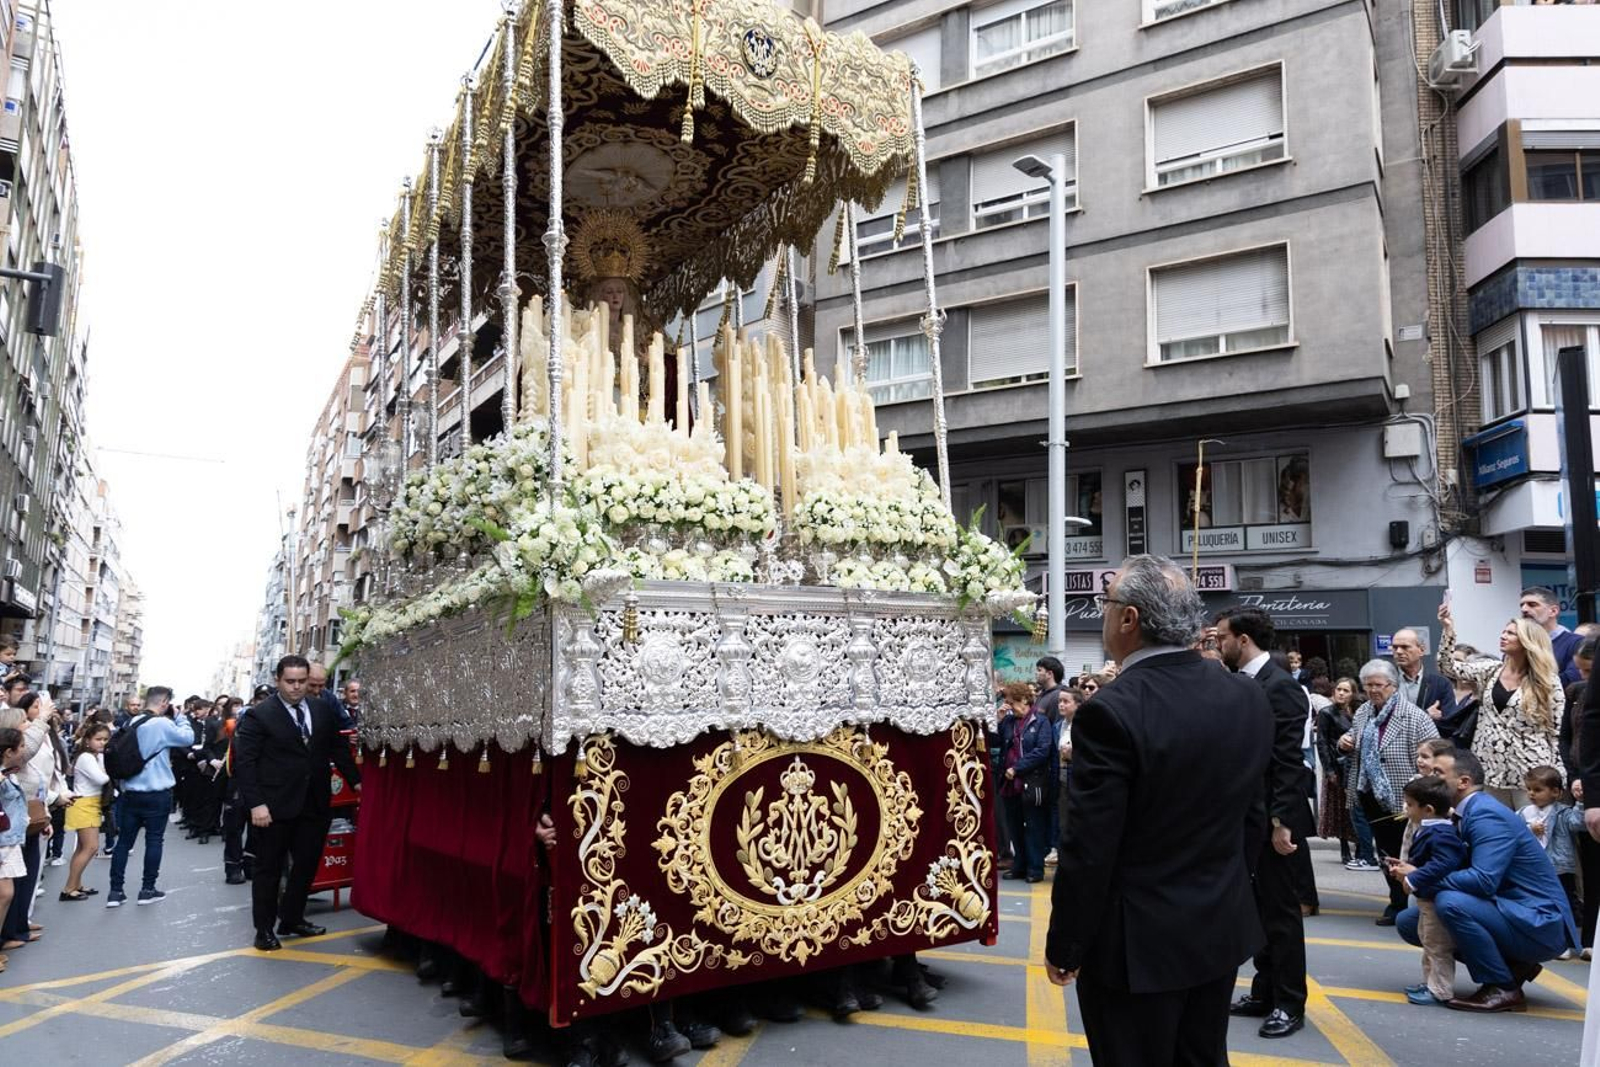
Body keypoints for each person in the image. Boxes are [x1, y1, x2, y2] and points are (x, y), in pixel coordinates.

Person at [1045, 555, 1272, 1066]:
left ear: (1129, 620)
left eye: (1105, 605)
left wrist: (1066, 943)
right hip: (1219, 925)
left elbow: (1089, 847)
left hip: (1135, 946)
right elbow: (1251, 818)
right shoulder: (1245, 695)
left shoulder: (1110, 710)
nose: (1101, 615)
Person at [1397, 750, 1578, 1012]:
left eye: (1438, 772)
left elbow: (1483, 880)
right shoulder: (1458, 813)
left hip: (1539, 921)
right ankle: (1514, 965)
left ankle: (1502, 986)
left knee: (1450, 903)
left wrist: (1421, 879)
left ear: (1463, 782)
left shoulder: (1485, 814)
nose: (1429, 775)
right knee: (1410, 921)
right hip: (1508, 909)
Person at [1218, 607, 1315, 1039]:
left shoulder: (1282, 689)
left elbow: (1288, 763)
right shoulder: (1243, 683)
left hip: (1275, 821)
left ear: (1242, 639)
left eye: (1222, 638)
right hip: (1245, 819)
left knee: (1280, 915)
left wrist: (1281, 822)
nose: (1218, 645)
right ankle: (1264, 990)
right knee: (1256, 910)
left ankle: (1290, 1002)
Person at [232, 655, 361, 951]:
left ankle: (292, 917)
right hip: (274, 807)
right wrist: (256, 805)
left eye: (302, 681)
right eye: (290, 681)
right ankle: (264, 928)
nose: (297, 687)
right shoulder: (258, 715)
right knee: (269, 869)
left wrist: (356, 781)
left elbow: (337, 749)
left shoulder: (321, 709)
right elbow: (246, 764)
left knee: (306, 865)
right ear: (278, 680)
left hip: (314, 803)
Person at [1337, 659, 1439, 925]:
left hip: (1405, 797)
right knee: (1385, 852)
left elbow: (1436, 755)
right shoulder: (1363, 713)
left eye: (1378, 685)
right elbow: (1353, 737)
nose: (1372, 690)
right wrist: (1344, 742)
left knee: (1409, 852)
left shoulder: (1414, 716)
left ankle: (1417, 906)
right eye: (1368, 685)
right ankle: (1397, 903)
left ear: (1393, 686)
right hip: (1370, 794)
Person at [1438, 601, 1564, 808]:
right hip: (1490, 769)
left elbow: (1555, 730)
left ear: (1527, 641)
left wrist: (1557, 773)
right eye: (1503, 631)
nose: (1503, 635)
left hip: (1530, 771)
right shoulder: (1490, 669)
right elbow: (1448, 667)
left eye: (1511, 633)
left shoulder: (1547, 680)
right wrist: (1448, 629)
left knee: (1531, 832)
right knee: (1497, 832)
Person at [105, 685, 195, 908]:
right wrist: (181, 717)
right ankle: (147, 889)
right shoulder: (162, 723)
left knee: (124, 842)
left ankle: (115, 892)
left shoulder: (131, 722)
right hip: (157, 793)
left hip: (130, 792)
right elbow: (187, 738)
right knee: (154, 840)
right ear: (164, 703)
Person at [1388, 773, 1467, 1006]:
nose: (1406, 808)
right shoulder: (1428, 827)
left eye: (1410, 805)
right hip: (1427, 899)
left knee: (1437, 945)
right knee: (1428, 941)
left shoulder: (1441, 833)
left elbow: (1442, 864)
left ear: (1429, 809)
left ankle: (1440, 990)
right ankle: (1430, 982)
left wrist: (1413, 877)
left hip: (1434, 898)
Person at [1518, 764, 1585, 953]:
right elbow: (1513, 832)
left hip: (1559, 868)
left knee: (1564, 904)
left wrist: (1580, 802)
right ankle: (1544, 939)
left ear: (1556, 792)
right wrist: (1529, 830)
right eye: (1529, 789)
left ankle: (1565, 941)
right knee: (1538, 903)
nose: (1532, 794)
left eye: (1538, 790)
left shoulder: (1563, 813)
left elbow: (1578, 823)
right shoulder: (1524, 813)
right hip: (1534, 868)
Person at [1319, 677, 1376, 870]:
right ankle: (1345, 847)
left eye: (1346, 690)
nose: (1341, 693)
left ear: (1353, 693)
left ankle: (1361, 848)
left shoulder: (1360, 712)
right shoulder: (1326, 713)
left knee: (1357, 809)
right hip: (1337, 765)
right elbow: (1323, 743)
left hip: (1355, 767)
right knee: (1341, 810)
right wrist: (1329, 769)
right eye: (1338, 689)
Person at [997, 681, 1051, 883]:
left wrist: (1017, 767)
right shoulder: (1009, 722)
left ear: (1024, 701)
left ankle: (1035, 868)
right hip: (1009, 783)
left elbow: (1042, 750)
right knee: (1015, 827)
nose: (1010, 706)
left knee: (1033, 826)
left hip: (1031, 782)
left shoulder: (1040, 721)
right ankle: (1019, 865)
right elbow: (996, 743)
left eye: (1012, 702)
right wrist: (998, 721)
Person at [59, 720, 110, 901]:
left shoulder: (95, 756)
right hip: (84, 804)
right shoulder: (87, 758)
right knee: (91, 847)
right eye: (98, 739)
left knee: (82, 847)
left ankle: (76, 884)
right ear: (87, 740)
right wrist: (109, 770)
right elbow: (101, 779)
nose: (102, 743)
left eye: (105, 739)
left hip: (89, 802)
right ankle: (69, 888)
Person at [0, 725, 31, 975]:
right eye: (21, 747)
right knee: (5, 894)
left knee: (6, 894)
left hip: (9, 840)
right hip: (2, 841)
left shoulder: (8, 773)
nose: (24, 751)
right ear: (9, 751)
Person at [1390, 628, 1458, 734]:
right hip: (1396, 747)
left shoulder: (1440, 684)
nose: (1398, 651)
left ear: (1421, 650)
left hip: (1429, 745)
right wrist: (1426, 715)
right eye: (1395, 647)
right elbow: (1382, 719)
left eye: (1405, 647)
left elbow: (1450, 723)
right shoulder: (1385, 682)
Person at [1521, 586, 1583, 685]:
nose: (1524, 609)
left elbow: (1572, 679)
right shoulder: (1519, 643)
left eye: (1532, 605)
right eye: (1522, 605)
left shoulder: (1576, 643)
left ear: (1553, 611)